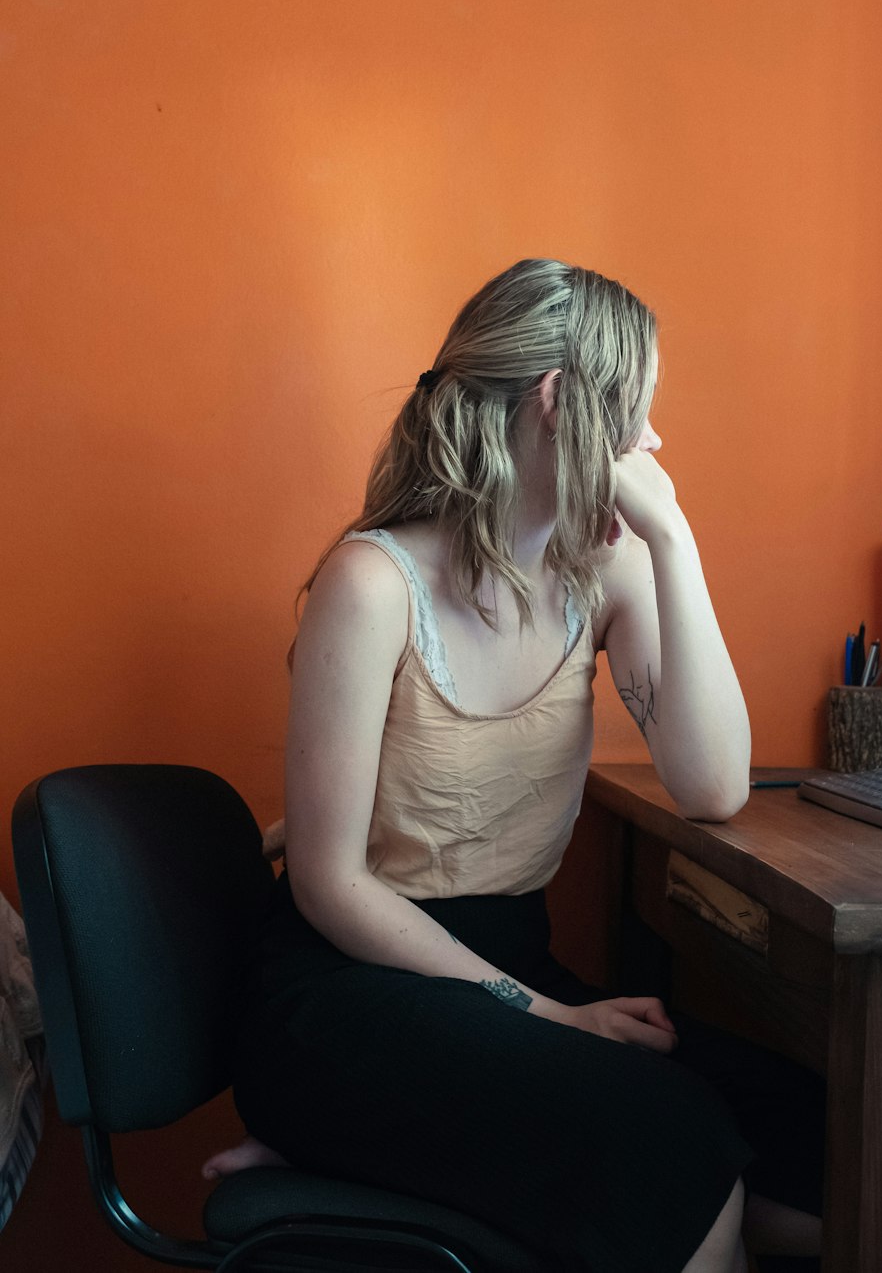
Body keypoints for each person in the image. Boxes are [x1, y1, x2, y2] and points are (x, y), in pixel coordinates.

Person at [217, 259, 823, 1272]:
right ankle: (371, 1142)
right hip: (348, 987)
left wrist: (673, 544)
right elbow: (328, 887)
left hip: (506, 959)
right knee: (665, 1139)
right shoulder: (373, 584)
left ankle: (409, 1163)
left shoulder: (609, 571)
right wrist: (552, 1019)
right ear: (557, 402)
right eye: (637, 411)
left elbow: (713, 787)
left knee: (808, 1140)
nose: (653, 442)